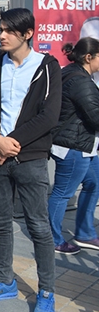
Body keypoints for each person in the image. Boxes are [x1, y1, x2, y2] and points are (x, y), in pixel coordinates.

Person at [0, 8, 61, 312]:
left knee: (39, 226)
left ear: (27, 34)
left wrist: (10, 144)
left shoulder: (47, 67)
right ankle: (5, 279)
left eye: (9, 30)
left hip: (31, 160)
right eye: (1, 29)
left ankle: (47, 292)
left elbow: (48, 117)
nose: (2, 35)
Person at [48, 38, 99, 255]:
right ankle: (52, 239)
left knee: (94, 183)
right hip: (73, 146)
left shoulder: (72, 72)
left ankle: (85, 233)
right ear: (89, 57)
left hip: (84, 145)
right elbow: (96, 117)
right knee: (62, 193)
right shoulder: (81, 81)